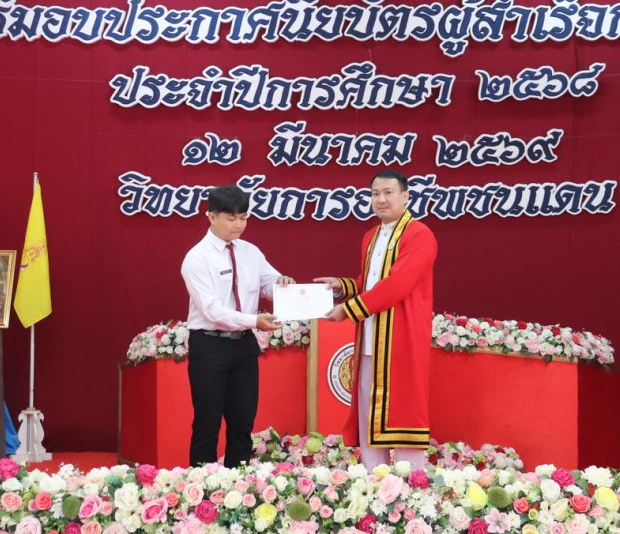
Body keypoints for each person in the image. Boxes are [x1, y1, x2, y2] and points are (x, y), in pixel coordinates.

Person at [316, 170, 438, 469]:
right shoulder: (370, 236)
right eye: (374, 194)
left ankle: (412, 482)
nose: (380, 199)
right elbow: (369, 283)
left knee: (405, 411)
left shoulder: (419, 234)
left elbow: (398, 285)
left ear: (406, 196)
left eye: (388, 192)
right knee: (368, 413)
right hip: (370, 338)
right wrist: (342, 287)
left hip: (400, 338)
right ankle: (374, 480)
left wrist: (348, 310)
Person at [181, 184, 292, 467]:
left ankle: (238, 485)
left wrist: (282, 285)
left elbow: (268, 283)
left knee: (243, 423)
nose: (239, 225)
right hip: (209, 345)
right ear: (211, 217)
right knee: (207, 423)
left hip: (243, 346)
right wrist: (255, 320)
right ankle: (203, 487)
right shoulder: (197, 257)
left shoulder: (250, 251)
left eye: (243, 217)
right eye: (231, 218)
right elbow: (212, 310)